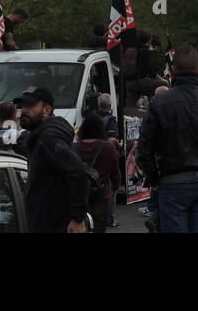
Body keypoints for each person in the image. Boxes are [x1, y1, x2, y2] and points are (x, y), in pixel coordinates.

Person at [137, 45, 198, 233]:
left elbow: (145, 148)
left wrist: (155, 179)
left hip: (173, 181)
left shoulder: (158, 103)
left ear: (172, 71)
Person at [16, 86, 88, 233]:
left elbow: (78, 172)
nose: (23, 110)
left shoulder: (48, 138)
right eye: (22, 106)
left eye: (30, 106)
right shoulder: (40, 137)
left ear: (47, 110)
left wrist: (77, 219)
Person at [75, 113, 121, 234]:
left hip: (78, 197)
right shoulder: (108, 148)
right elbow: (115, 172)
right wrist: (115, 187)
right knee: (98, 227)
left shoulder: (75, 148)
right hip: (100, 196)